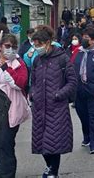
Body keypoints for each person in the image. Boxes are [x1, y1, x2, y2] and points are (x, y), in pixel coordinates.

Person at [29, 27, 77, 178]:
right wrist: (32, 93)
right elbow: (33, 81)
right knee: (42, 142)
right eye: (35, 45)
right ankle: (49, 167)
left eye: (39, 45)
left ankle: (53, 171)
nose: (37, 48)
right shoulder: (37, 60)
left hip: (56, 107)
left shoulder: (62, 58)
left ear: (48, 42)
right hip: (39, 107)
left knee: (54, 141)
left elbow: (72, 81)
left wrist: (58, 94)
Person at [0, 34, 30, 178]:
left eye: (13, 47)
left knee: (5, 142)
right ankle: (2, 168)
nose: (10, 50)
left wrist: (6, 68)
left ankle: (7, 173)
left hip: (11, 107)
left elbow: (20, 84)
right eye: (7, 46)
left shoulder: (19, 64)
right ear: (0, 47)